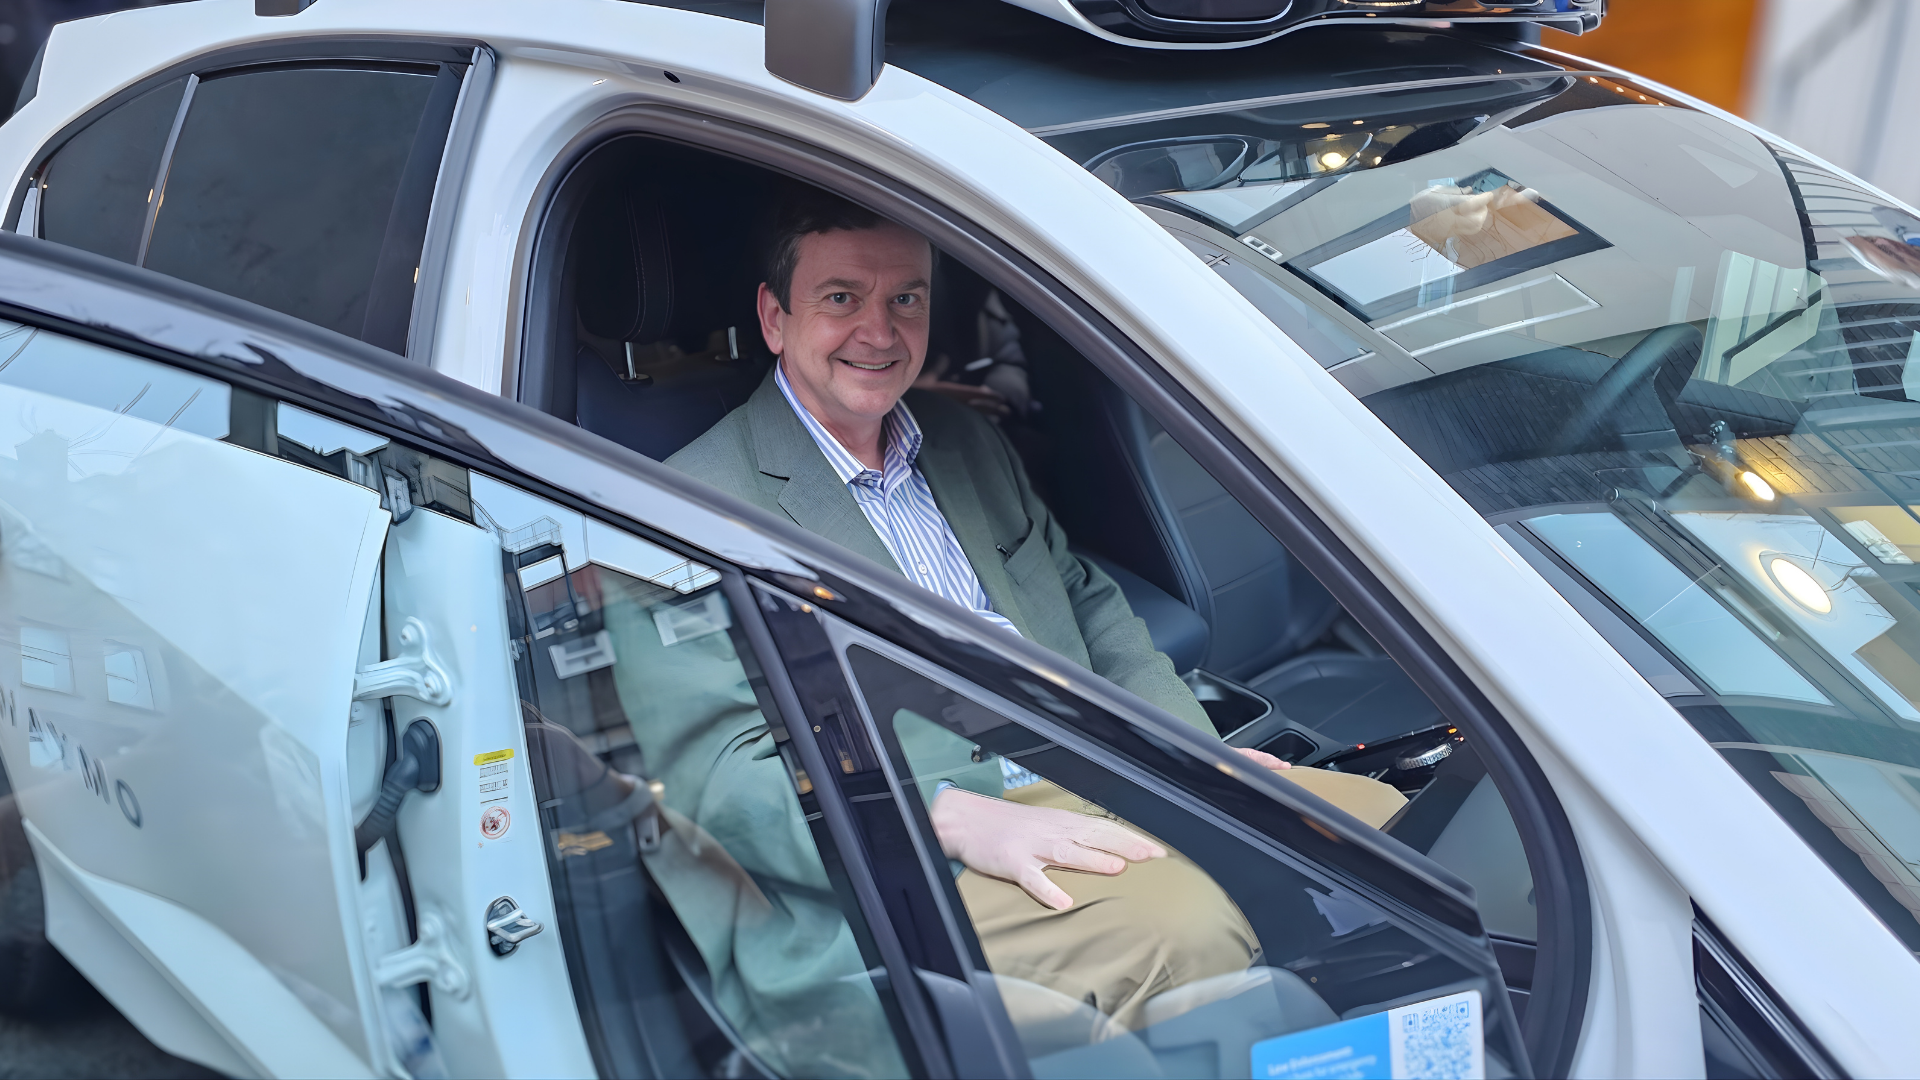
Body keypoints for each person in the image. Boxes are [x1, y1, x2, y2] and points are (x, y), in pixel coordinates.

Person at [621, 187, 1401, 1072]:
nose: (879, 331)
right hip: (900, 861)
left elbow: (1088, 606)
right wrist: (946, 817)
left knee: (1381, 835)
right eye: (841, 298)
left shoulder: (961, 437)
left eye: (905, 298)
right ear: (774, 315)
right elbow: (718, 780)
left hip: (1092, 769)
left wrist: (1196, 758)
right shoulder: (678, 511)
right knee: (1185, 935)